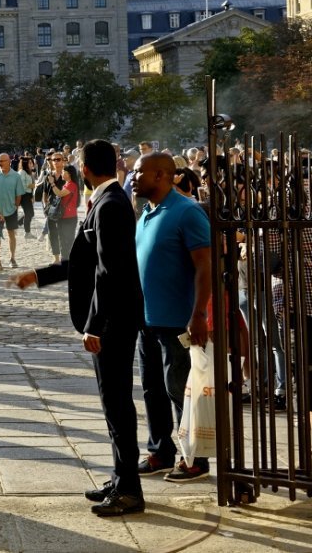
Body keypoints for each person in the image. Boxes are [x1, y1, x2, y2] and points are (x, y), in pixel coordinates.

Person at [9, 139, 146, 517]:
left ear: (84, 169)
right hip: (111, 318)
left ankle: (130, 489)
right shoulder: (106, 200)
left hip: (113, 321)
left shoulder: (112, 205)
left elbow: (109, 272)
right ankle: (120, 478)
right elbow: (83, 262)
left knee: (117, 403)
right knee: (112, 402)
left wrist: (95, 326)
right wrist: (39, 275)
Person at [132, 153, 213, 483]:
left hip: (178, 319)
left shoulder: (187, 211)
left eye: (140, 172)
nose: (134, 177)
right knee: (152, 389)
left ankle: (194, 458)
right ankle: (160, 451)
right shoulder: (147, 212)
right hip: (147, 319)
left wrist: (198, 315)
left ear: (162, 175)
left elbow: (205, 266)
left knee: (179, 389)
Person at [0, 154, 24, 268]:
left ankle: (12, 258)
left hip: (11, 211)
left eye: (2, 161)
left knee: (11, 235)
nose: (0, 163)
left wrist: (16, 206)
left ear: (9, 161)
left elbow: (19, 194)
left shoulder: (16, 176)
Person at [45, 165, 81, 265]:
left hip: (69, 217)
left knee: (68, 241)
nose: (61, 173)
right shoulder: (67, 184)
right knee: (62, 239)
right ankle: (64, 261)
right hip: (63, 217)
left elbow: (60, 194)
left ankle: (67, 262)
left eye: (64, 172)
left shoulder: (71, 184)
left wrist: (52, 183)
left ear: (69, 174)